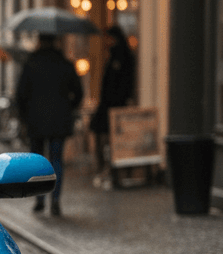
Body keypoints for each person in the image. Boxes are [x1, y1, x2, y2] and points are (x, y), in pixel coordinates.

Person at [15, 33, 83, 217]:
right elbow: (78, 92)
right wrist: (68, 107)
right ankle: (55, 201)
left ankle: (39, 200)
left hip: (35, 122)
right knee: (57, 160)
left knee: (37, 162)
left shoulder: (31, 64)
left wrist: (24, 117)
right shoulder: (65, 64)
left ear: (39, 42)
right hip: (59, 121)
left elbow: (21, 94)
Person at [89, 25, 136, 183]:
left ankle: (110, 169)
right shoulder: (115, 56)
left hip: (113, 105)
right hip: (109, 104)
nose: (107, 42)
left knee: (111, 139)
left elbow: (122, 84)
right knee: (104, 137)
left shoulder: (121, 57)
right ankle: (108, 169)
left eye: (109, 38)